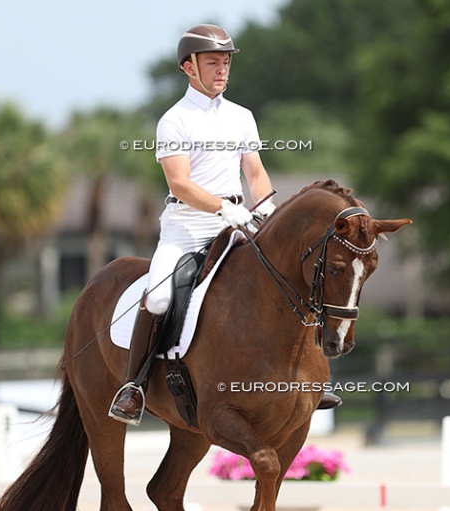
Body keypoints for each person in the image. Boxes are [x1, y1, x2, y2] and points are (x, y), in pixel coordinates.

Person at [108, 24, 339, 425]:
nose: (222, 69)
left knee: (290, 276)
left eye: (226, 62)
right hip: (187, 228)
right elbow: (179, 182)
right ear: (188, 67)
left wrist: (266, 206)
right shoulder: (174, 121)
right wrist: (221, 207)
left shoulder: (241, 117)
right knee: (159, 298)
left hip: (238, 225)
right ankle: (134, 386)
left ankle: (310, 378)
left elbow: (256, 172)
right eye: (213, 62)